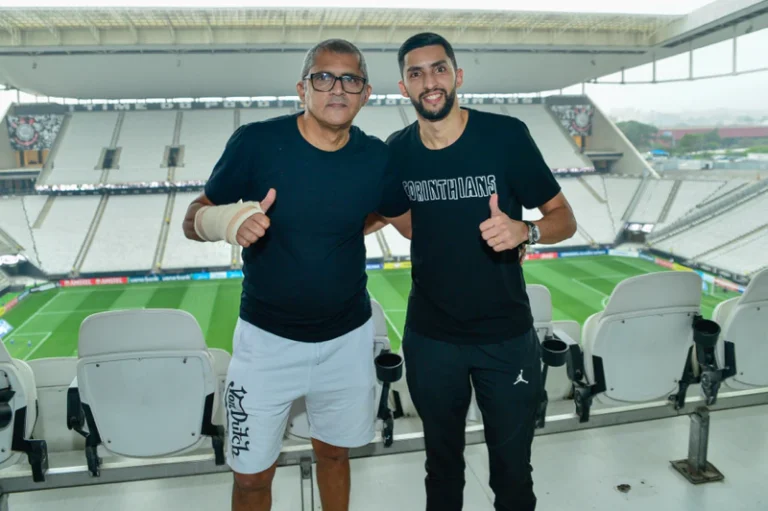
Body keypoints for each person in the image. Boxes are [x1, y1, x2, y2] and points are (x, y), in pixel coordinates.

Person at [183, 39, 410, 511]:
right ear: (302, 88)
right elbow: (193, 217)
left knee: (335, 454)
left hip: (347, 339)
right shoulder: (256, 142)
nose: (337, 89)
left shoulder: (376, 157)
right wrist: (227, 221)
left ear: (366, 93)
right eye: (323, 77)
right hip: (266, 342)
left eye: (350, 79)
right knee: (250, 477)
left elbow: (401, 218)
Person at [366, 32, 577, 511]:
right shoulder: (398, 151)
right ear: (404, 87)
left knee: (513, 474)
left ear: (457, 76)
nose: (430, 81)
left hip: (506, 337)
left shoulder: (505, 136)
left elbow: (564, 218)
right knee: (441, 470)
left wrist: (526, 231)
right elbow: (396, 220)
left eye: (439, 68)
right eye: (416, 73)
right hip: (431, 339)